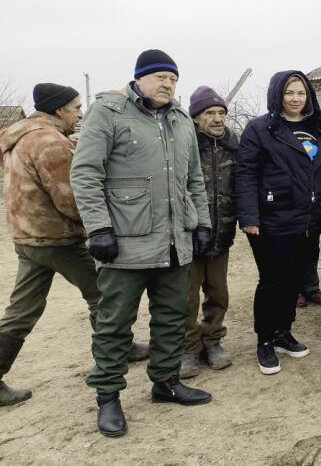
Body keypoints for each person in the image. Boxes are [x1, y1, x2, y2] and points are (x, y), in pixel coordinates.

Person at [71, 50, 212, 437]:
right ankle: (108, 396)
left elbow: (194, 180)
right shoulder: (110, 112)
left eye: (174, 79)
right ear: (140, 78)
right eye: (161, 77)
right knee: (115, 324)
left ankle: (165, 383)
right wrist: (98, 228)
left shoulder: (182, 120)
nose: (168, 84)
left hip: (173, 241)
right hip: (125, 243)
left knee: (171, 316)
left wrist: (201, 224)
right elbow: (84, 173)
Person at [0, 83, 148, 407]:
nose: (80, 114)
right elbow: (72, 198)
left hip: (28, 237)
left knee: (21, 312)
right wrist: (103, 225)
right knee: (105, 293)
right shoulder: (50, 142)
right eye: (76, 108)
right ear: (58, 110)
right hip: (56, 238)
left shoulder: (17, 136)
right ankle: (117, 354)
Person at [236, 71, 321, 375]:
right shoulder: (261, 129)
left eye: (301, 93)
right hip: (271, 218)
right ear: (278, 94)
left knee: (295, 279)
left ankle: (283, 332)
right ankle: (265, 339)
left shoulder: (317, 128)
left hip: (307, 218)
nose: (295, 99)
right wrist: (249, 216)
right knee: (273, 280)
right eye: (289, 93)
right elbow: (246, 174)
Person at [181, 87, 239, 379]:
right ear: (195, 118)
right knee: (187, 296)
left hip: (222, 233)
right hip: (189, 235)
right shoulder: (184, 145)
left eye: (221, 113)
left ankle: (212, 342)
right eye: (209, 113)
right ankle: (189, 348)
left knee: (218, 292)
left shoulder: (233, 145)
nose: (217, 119)